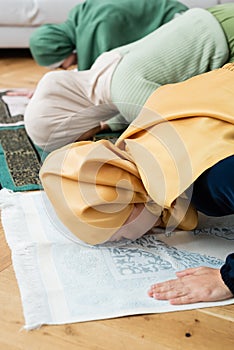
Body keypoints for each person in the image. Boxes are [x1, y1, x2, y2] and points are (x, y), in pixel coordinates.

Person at [39, 62, 234, 303]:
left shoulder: (203, 179)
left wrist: (226, 278)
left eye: (120, 238)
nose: (131, 242)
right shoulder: (145, 131)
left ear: (130, 201)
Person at [24, 4, 234, 152]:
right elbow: (129, 100)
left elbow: (184, 131)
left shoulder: (128, 95)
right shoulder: (103, 67)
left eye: (77, 138)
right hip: (216, 18)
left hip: (227, 40)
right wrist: (106, 126)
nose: (86, 139)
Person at [29, 0, 188, 70]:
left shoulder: (98, 27)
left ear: (59, 49)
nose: (65, 68)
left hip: (181, 27)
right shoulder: (80, 16)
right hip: (174, 19)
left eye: (60, 65)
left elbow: (104, 76)